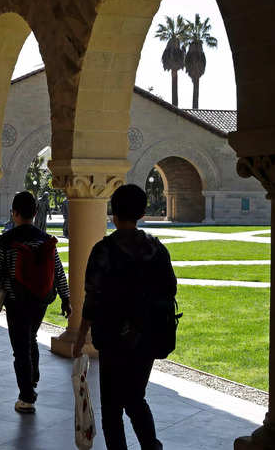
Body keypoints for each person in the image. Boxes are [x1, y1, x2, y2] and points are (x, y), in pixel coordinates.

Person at [73, 184, 177, 450]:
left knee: (111, 406)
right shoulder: (157, 250)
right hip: (148, 335)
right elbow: (170, 289)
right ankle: (151, 446)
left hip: (113, 337)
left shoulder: (104, 250)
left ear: (113, 213)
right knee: (135, 397)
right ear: (142, 213)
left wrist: (81, 335)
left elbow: (92, 297)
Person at [0, 191, 72, 414]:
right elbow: (58, 272)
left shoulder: (7, 241)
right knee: (30, 337)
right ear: (36, 213)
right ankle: (33, 377)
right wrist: (66, 299)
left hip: (16, 300)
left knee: (20, 348)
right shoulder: (45, 240)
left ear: (15, 213)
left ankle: (27, 396)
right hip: (40, 300)